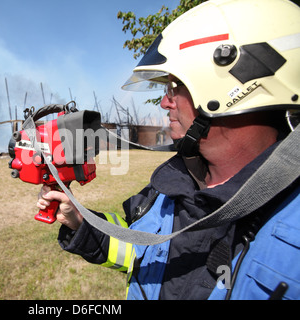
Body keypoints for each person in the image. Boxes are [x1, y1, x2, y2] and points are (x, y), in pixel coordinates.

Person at [37, 0, 299, 300]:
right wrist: (80, 222)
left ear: (229, 89)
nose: (164, 102)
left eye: (175, 86)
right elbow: (137, 246)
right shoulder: (170, 185)